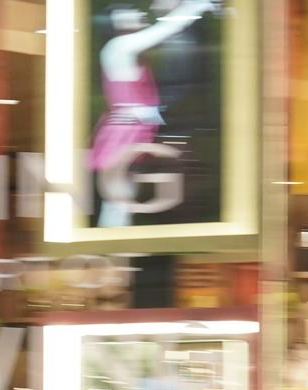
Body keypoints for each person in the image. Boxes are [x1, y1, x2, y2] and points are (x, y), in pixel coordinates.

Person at [90, 0, 220, 227]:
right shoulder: (120, 46)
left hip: (131, 133)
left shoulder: (128, 50)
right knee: (118, 200)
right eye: (128, 12)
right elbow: (165, 30)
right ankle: (112, 251)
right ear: (116, 23)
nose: (138, 13)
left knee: (119, 201)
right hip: (124, 135)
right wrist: (195, 6)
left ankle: (114, 252)